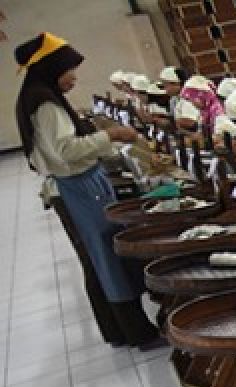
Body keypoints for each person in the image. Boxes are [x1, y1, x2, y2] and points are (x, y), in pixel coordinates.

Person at [14, 32, 160, 347]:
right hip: (77, 188)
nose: (74, 77)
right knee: (106, 258)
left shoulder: (38, 95)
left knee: (98, 261)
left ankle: (119, 331)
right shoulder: (45, 103)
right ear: (53, 68)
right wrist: (113, 136)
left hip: (76, 185)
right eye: (69, 69)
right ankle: (136, 332)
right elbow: (66, 151)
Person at [159, 66, 201, 132]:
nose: (165, 89)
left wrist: (169, 123)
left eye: (165, 85)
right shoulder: (176, 99)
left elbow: (191, 122)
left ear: (177, 84)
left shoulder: (187, 99)